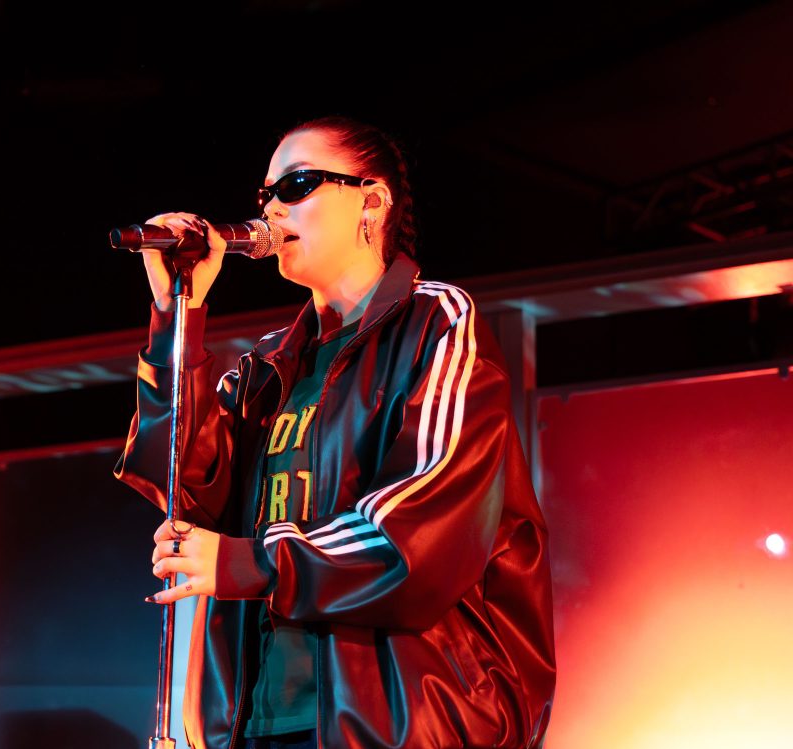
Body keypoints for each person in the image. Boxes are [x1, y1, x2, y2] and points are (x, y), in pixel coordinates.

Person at [115, 116, 556, 749]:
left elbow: (418, 532)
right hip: (256, 721)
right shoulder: (266, 367)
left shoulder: (435, 322)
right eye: (264, 194)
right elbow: (179, 486)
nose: (271, 208)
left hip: (402, 719)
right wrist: (175, 315)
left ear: (371, 202)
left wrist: (250, 562)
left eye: (295, 185)